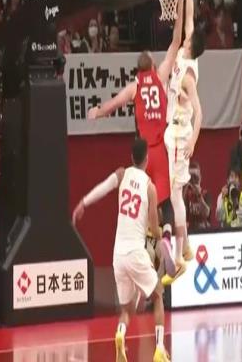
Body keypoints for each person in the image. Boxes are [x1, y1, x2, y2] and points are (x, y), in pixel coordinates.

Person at [87, 0, 192, 229]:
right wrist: (180, 3)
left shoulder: (134, 87)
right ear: (153, 66)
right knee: (166, 203)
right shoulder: (161, 75)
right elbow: (176, 41)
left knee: (144, 201)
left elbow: (113, 105)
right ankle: (166, 235)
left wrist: (97, 112)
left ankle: (149, 239)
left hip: (144, 152)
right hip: (161, 149)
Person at [72, 138, 174, 362]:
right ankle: (159, 349)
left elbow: (103, 187)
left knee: (127, 310)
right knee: (158, 295)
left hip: (118, 255)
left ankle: (120, 334)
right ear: (147, 159)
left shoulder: (122, 174)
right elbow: (153, 229)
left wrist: (83, 203)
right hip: (136, 252)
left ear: (131, 157)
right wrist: (164, 232)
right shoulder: (150, 187)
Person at [162, 0, 206, 286]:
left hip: (180, 133)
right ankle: (186, 245)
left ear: (191, 46)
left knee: (176, 195)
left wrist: (192, 142)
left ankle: (179, 255)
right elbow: (188, 14)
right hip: (173, 131)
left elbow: (200, 113)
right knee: (173, 192)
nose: (186, 36)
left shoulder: (189, 75)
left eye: (189, 38)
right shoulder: (185, 49)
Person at [183, 161, 211, 230]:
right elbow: (181, 211)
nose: (193, 179)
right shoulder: (187, 194)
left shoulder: (205, 193)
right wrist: (186, 186)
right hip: (190, 229)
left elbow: (207, 213)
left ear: (200, 177)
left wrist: (199, 195)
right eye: (190, 176)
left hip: (203, 229)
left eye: (195, 176)